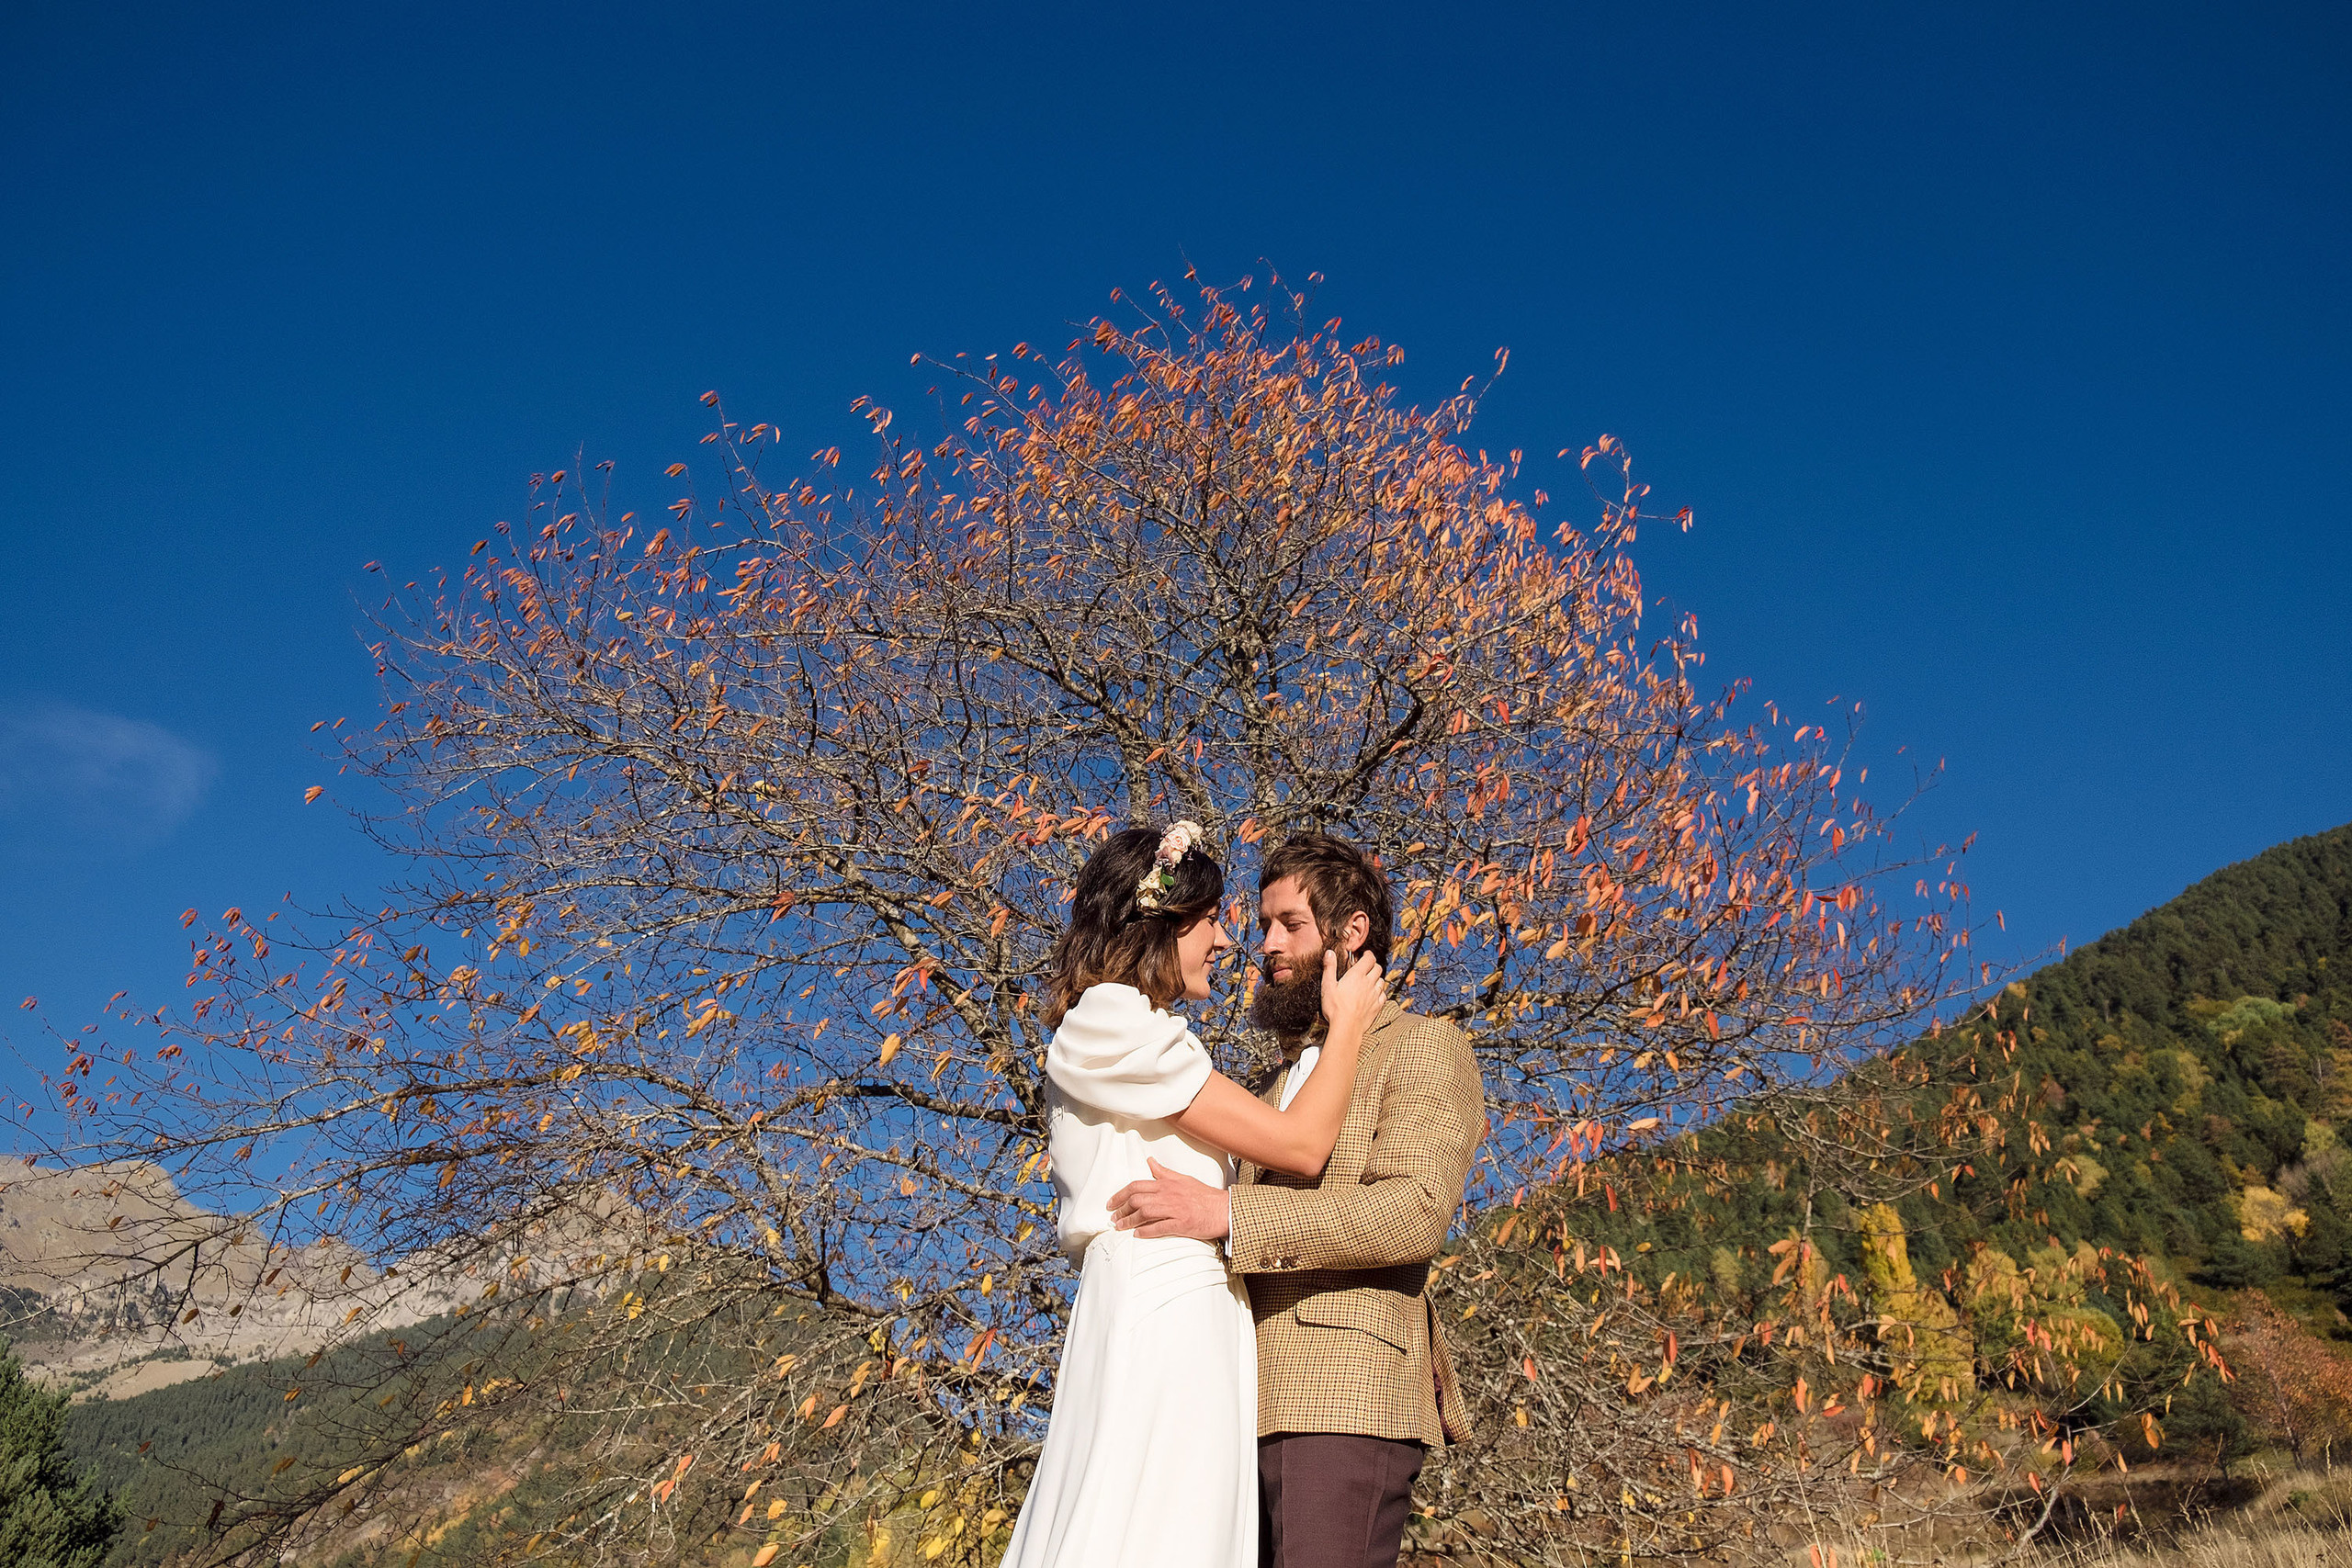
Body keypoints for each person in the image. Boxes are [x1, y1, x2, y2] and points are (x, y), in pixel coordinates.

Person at [1001, 821, 1387, 1568]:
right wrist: (1347, 1028)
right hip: (1162, 1308)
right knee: (1151, 1524)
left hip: (1186, 1305)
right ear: (1161, 922)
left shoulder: (1141, 1029)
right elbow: (1301, 1145)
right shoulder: (1112, 1018)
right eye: (1210, 920)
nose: (1225, 940)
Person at [1108, 831, 1485, 1568]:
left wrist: (1227, 1214)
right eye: (1262, 926)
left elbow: (1412, 1211)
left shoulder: (1424, 1046)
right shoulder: (1280, 1089)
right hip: (1238, 1409)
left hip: (1344, 1400)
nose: (1267, 945)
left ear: (1352, 933)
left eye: (1291, 924)